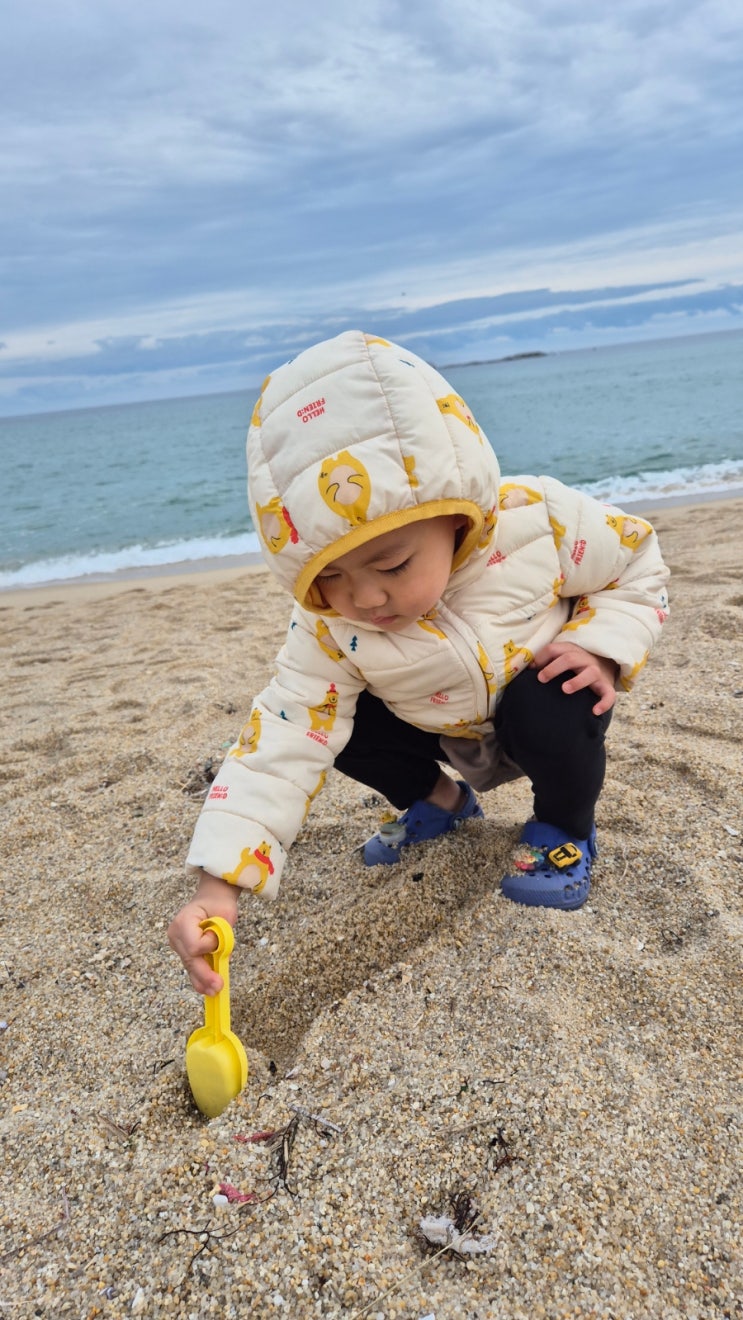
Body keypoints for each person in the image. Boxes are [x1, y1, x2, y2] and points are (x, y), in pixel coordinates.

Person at [168, 331, 669, 994]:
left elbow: (635, 560)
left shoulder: (536, 521)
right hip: (440, 728)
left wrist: (600, 648)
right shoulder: (328, 625)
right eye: (331, 577)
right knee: (336, 723)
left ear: (456, 514)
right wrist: (217, 885)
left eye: (392, 565)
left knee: (554, 697)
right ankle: (440, 801)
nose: (366, 599)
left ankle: (563, 827)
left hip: (544, 705)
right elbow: (282, 735)